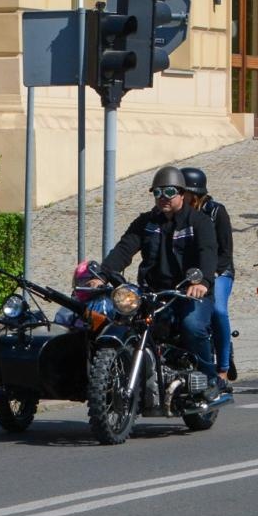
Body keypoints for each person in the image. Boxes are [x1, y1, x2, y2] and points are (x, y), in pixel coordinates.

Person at [101, 165, 224, 396]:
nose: (163, 198)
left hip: (188, 292)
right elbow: (124, 248)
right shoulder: (146, 222)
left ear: (182, 193)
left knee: (192, 327)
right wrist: (103, 274)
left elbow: (208, 251)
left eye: (169, 192)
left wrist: (203, 282)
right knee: (128, 323)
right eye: (157, 192)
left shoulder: (198, 222)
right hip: (153, 292)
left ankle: (211, 380)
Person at [181, 166, 236, 385]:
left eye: (182, 193)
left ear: (194, 194)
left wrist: (210, 273)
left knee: (218, 310)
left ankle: (222, 367)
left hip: (219, 272)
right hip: (190, 274)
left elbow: (226, 251)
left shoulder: (216, 212)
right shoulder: (178, 215)